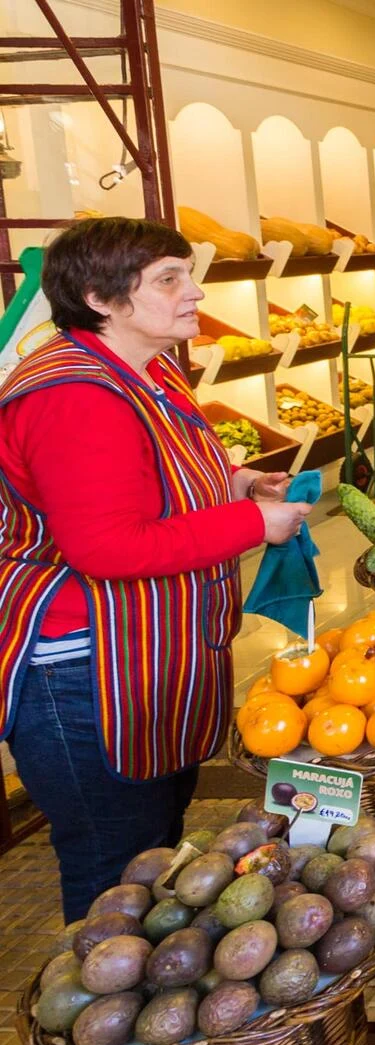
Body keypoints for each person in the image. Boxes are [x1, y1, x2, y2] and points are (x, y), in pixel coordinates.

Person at [0, 217, 314, 920]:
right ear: (101, 298)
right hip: (83, 673)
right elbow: (104, 547)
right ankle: (100, 1023)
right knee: (116, 869)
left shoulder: (146, 368)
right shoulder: (73, 396)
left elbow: (152, 475)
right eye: (169, 279)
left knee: (154, 848)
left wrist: (232, 483)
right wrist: (250, 525)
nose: (195, 292)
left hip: (140, 656)